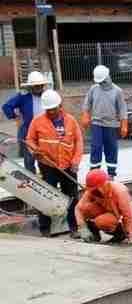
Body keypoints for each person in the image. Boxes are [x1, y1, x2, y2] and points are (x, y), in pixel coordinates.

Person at [26, 90, 83, 237]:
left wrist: (75, 162)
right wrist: (35, 151)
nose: (51, 111)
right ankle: (45, 229)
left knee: (71, 198)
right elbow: (30, 140)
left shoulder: (71, 120)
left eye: (53, 108)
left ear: (60, 105)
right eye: (48, 109)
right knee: (45, 197)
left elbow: (78, 142)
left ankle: (74, 228)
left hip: (68, 166)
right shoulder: (37, 121)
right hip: (48, 165)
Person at [81, 65, 128, 179]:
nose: (101, 83)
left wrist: (124, 125)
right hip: (97, 123)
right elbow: (87, 104)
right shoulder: (94, 89)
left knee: (111, 148)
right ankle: (94, 172)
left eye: (103, 81)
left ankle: (111, 173)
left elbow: (122, 109)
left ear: (108, 77)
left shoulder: (117, 91)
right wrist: (85, 116)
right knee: (96, 147)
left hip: (111, 125)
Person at [2, 71, 49, 173]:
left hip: (45, 132)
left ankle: (46, 179)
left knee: (45, 158)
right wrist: (14, 115)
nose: (39, 88)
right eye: (36, 86)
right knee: (29, 159)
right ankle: (32, 180)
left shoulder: (47, 95)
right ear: (31, 87)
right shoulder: (23, 97)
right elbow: (6, 106)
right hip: (28, 132)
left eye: (40, 86)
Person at [75, 169, 132, 243]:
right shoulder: (91, 190)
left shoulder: (120, 191)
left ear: (102, 185)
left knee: (103, 222)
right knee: (85, 208)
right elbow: (78, 208)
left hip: (114, 214)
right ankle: (93, 230)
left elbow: (128, 214)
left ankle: (120, 233)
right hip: (103, 208)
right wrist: (82, 227)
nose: (93, 191)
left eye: (96, 189)